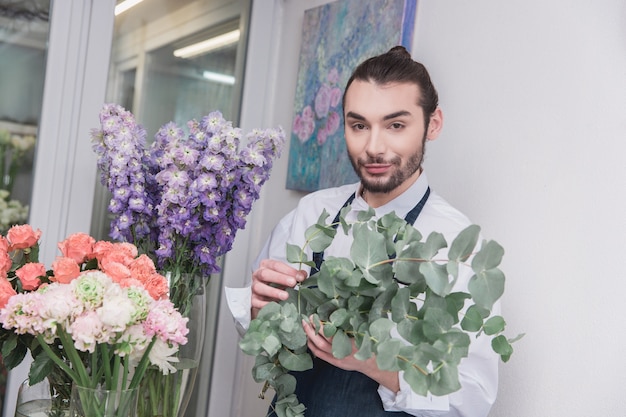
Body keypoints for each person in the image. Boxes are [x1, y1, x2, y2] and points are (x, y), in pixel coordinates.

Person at [226, 46, 499, 417]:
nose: (373, 147)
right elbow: (260, 344)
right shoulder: (312, 213)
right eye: (359, 126)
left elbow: (473, 397)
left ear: (432, 124)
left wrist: (371, 362)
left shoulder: (457, 243)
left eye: (395, 125)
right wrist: (262, 313)